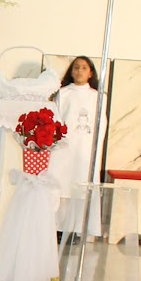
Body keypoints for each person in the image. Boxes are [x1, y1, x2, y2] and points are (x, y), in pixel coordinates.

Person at [53, 56, 100, 236]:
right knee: (62, 185)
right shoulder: (63, 94)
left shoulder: (96, 97)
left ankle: (76, 229)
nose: (79, 71)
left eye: (84, 68)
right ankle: (58, 227)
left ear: (90, 73)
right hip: (65, 148)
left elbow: (99, 126)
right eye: (76, 67)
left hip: (85, 149)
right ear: (71, 71)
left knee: (80, 187)